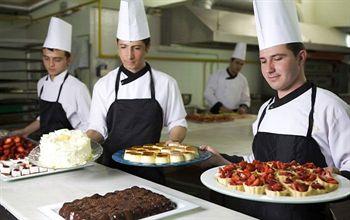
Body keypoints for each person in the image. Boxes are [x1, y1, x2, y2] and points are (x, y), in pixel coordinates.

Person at [200, 0, 350, 219]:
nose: (269, 69)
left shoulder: (329, 107)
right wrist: (218, 159)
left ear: (301, 57)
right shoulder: (265, 110)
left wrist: (338, 175)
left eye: (278, 58)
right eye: (263, 60)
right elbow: (256, 164)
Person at [86, 0, 187, 182]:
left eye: (136, 48)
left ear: (147, 47)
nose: (129, 55)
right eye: (123, 47)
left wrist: (174, 141)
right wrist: (79, 144)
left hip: (151, 170)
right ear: (117, 46)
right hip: (110, 171)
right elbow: (97, 128)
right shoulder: (104, 85)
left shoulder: (165, 83)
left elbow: (178, 122)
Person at [13, 17, 91, 138]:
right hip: (46, 146)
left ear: (68, 60)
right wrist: (25, 131)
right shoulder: (42, 84)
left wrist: (71, 143)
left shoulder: (78, 88)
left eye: (57, 59)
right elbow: (44, 117)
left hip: (69, 150)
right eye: (46, 58)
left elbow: (89, 126)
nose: (51, 64)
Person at [204, 42, 250, 114]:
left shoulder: (243, 79)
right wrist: (220, 107)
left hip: (235, 114)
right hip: (217, 112)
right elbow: (208, 93)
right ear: (231, 61)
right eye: (237, 63)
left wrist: (243, 108)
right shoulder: (217, 75)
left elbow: (245, 98)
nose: (239, 66)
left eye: (241, 64)